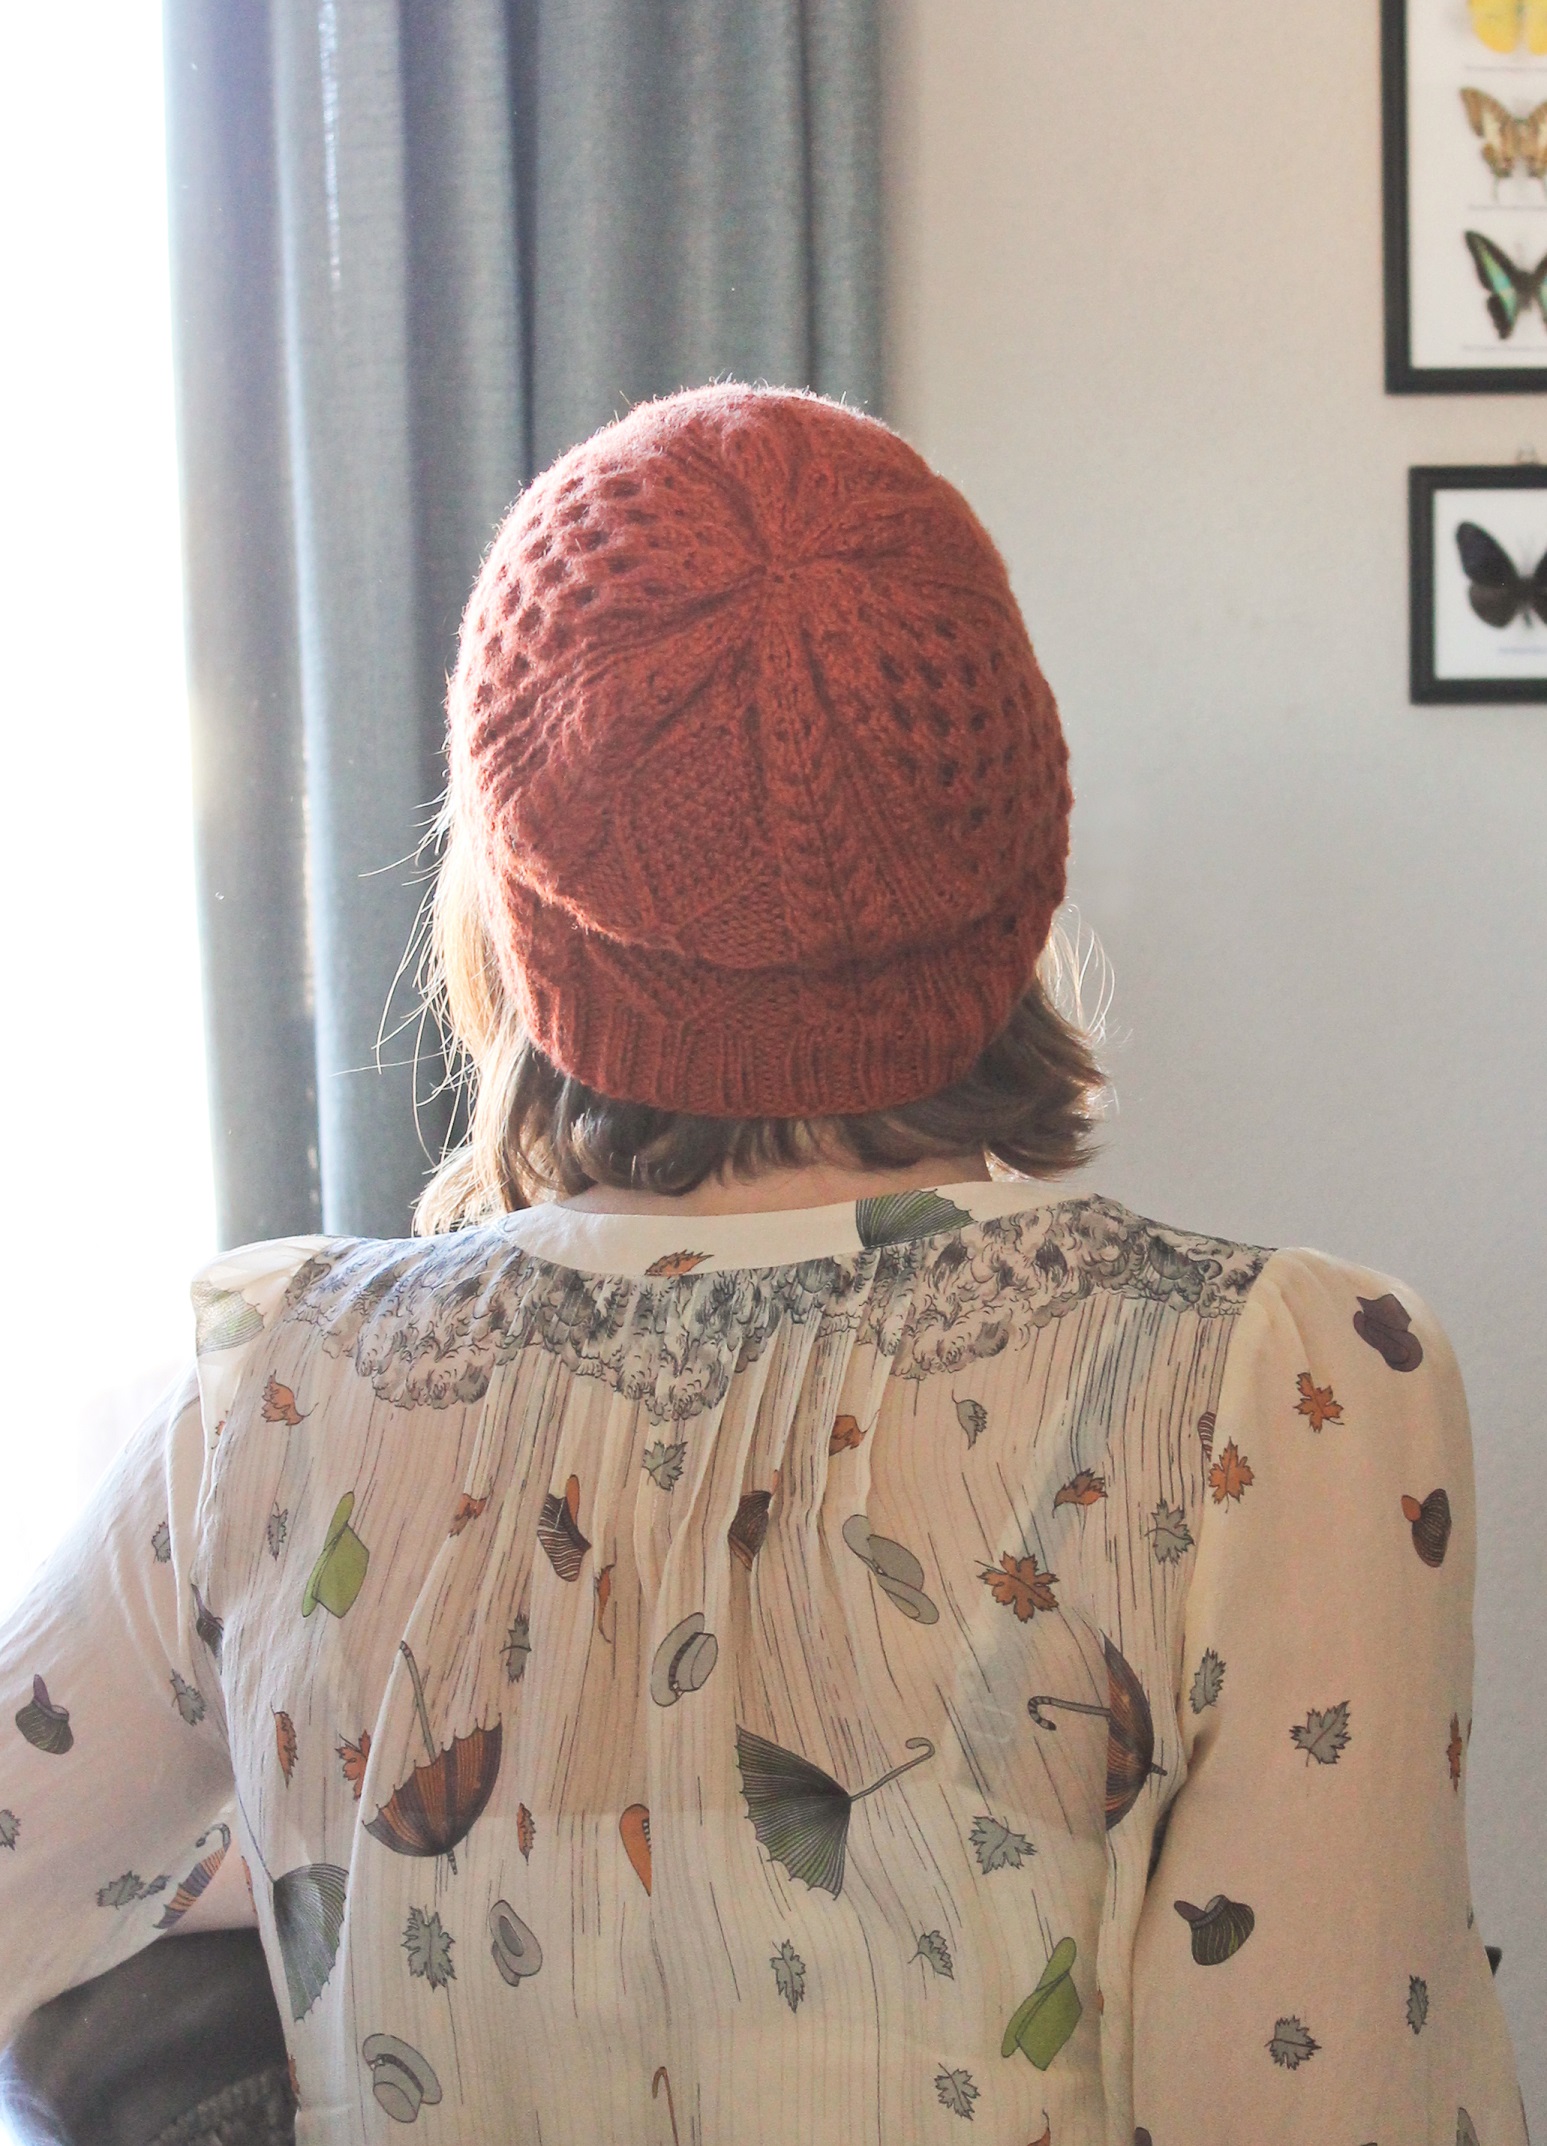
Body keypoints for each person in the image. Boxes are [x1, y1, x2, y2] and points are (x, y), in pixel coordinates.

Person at [0, 385, 1526, 2146]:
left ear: (517, 897)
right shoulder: (1290, 1388)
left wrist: (299, 1820)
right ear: (1017, 870)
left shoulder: (277, 1392)